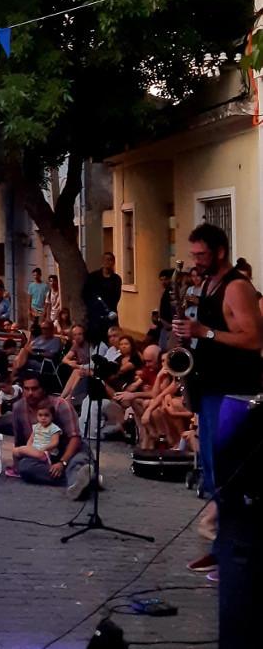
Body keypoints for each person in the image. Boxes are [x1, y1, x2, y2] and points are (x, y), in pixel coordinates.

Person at [172, 224, 263, 603]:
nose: (196, 261)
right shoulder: (207, 285)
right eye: (193, 255)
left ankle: (236, 555)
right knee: (212, 471)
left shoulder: (237, 286)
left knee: (230, 476)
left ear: (220, 252)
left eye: (202, 255)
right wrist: (186, 336)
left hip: (234, 392)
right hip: (208, 389)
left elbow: (254, 338)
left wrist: (204, 333)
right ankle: (221, 546)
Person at [10, 375, 93, 499]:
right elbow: (20, 441)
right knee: (25, 467)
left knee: (76, 461)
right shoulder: (18, 407)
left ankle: (77, 481)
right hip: (44, 455)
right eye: (26, 389)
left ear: (43, 389)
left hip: (70, 450)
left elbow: (75, 438)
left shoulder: (61, 405)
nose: (30, 393)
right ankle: (83, 480)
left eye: (34, 389)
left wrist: (62, 462)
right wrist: (17, 462)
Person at [9, 406, 61, 476]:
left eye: (46, 415)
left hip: (46, 452)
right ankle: (16, 468)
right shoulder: (36, 427)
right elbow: (31, 439)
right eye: (40, 415)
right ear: (36, 416)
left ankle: (18, 469)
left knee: (19, 450)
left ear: (52, 416)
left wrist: (45, 448)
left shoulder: (53, 428)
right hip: (35, 450)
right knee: (15, 451)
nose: (43, 418)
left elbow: (55, 442)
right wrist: (28, 447)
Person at [83, 252, 122, 343]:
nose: (108, 262)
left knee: (112, 339)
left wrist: (109, 310)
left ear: (113, 262)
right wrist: (93, 307)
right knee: (95, 340)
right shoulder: (93, 277)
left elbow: (116, 296)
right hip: (94, 315)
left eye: (110, 260)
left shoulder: (116, 279)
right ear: (102, 261)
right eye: (106, 259)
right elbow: (86, 294)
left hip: (110, 314)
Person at [157, 269, 174, 351]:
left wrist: (170, 325)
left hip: (170, 327)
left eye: (166, 279)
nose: (163, 282)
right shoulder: (164, 291)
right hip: (164, 326)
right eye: (161, 280)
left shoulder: (172, 292)